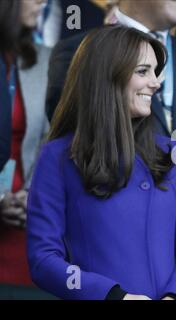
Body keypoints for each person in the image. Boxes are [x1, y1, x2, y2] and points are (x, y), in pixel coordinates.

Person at [46, 0, 176, 301]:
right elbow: (83, 146)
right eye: (143, 71)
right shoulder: (82, 50)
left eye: (156, 71)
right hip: (110, 274)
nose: (155, 83)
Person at [0, 0, 51, 299]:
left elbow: (53, 137)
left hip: (31, 215)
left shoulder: (46, 60)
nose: (42, 1)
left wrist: (26, 198)